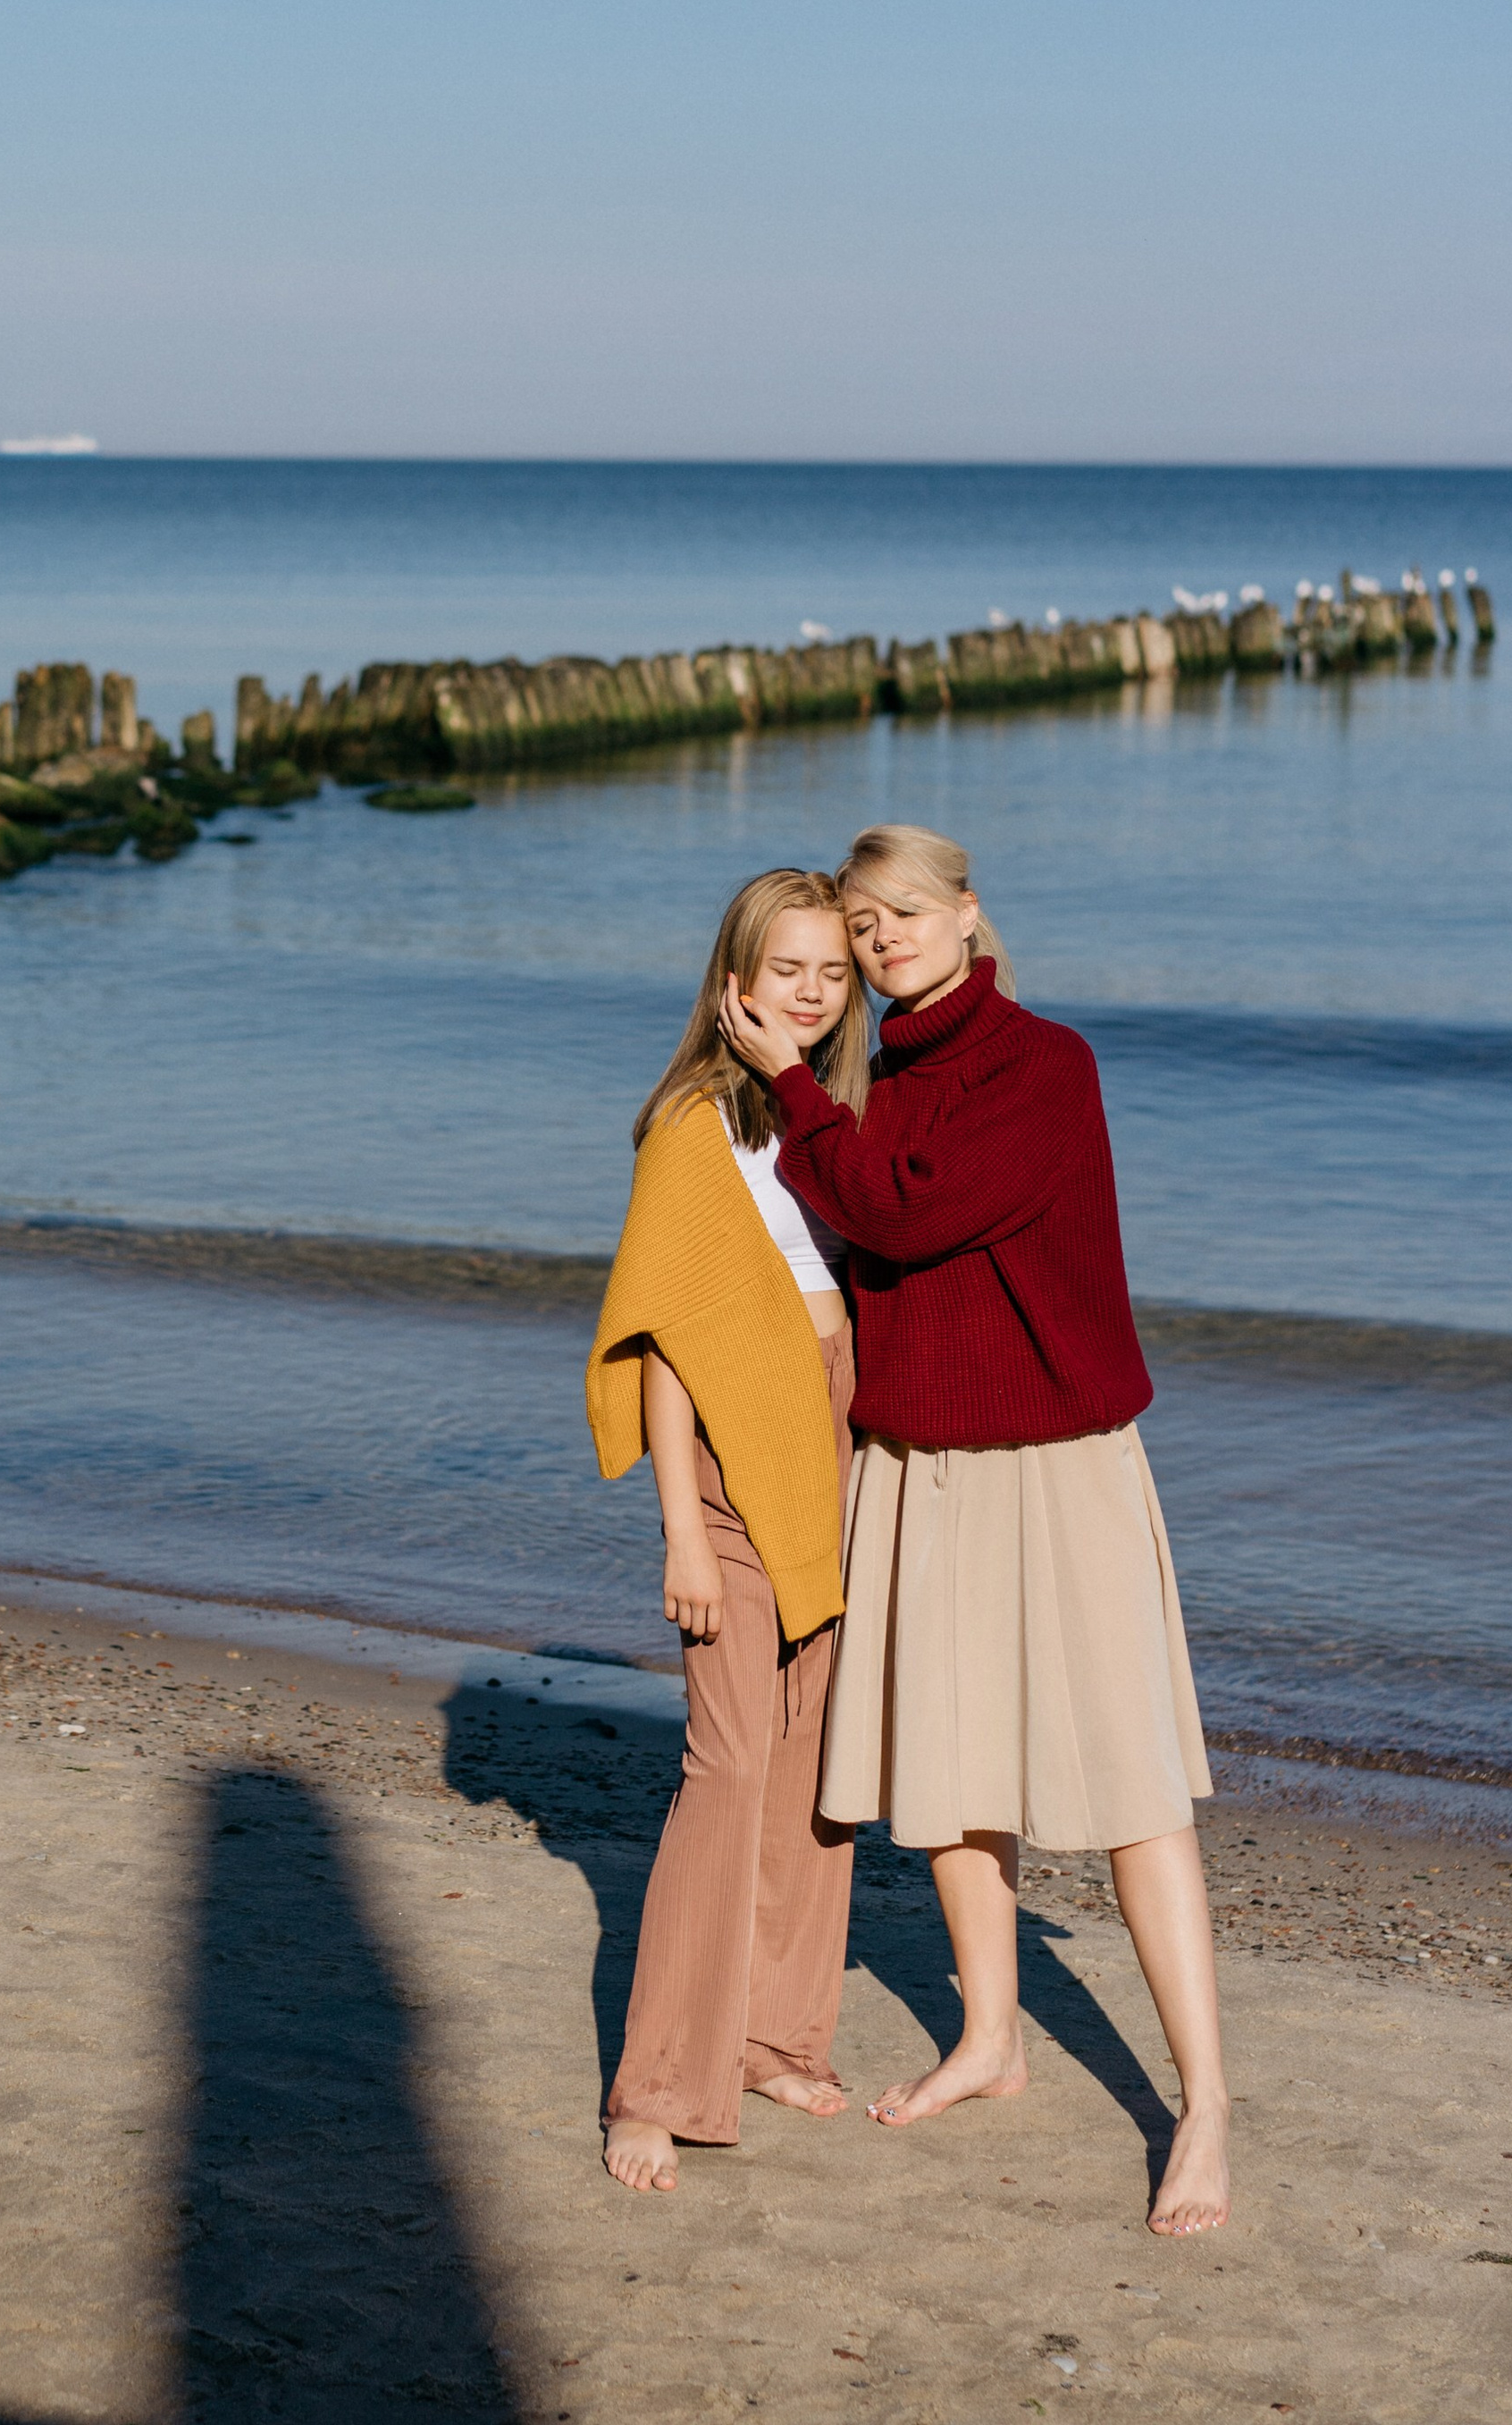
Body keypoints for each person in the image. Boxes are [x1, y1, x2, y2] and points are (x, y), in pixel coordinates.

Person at [718, 821, 1231, 2240]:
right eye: (861, 922)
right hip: (920, 1460)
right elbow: (827, 1232)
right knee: (949, 1774)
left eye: (905, 912)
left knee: (1132, 1787)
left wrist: (788, 1082)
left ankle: (1204, 2104)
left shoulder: (1043, 1067)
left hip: (1059, 1461)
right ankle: (992, 2037)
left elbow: (903, 1215)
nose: (883, 938)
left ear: (967, 917)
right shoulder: (871, 1081)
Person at [584, 869, 869, 2194]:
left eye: (833, 972)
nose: (810, 992)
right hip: (730, 1471)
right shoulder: (696, 1124)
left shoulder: (835, 1115)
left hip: (843, 1449)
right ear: (734, 982)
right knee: (728, 1765)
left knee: (815, 1762)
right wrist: (682, 1537)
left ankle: (770, 2038)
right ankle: (658, 2087)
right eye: (787, 969)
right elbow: (666, 1342)